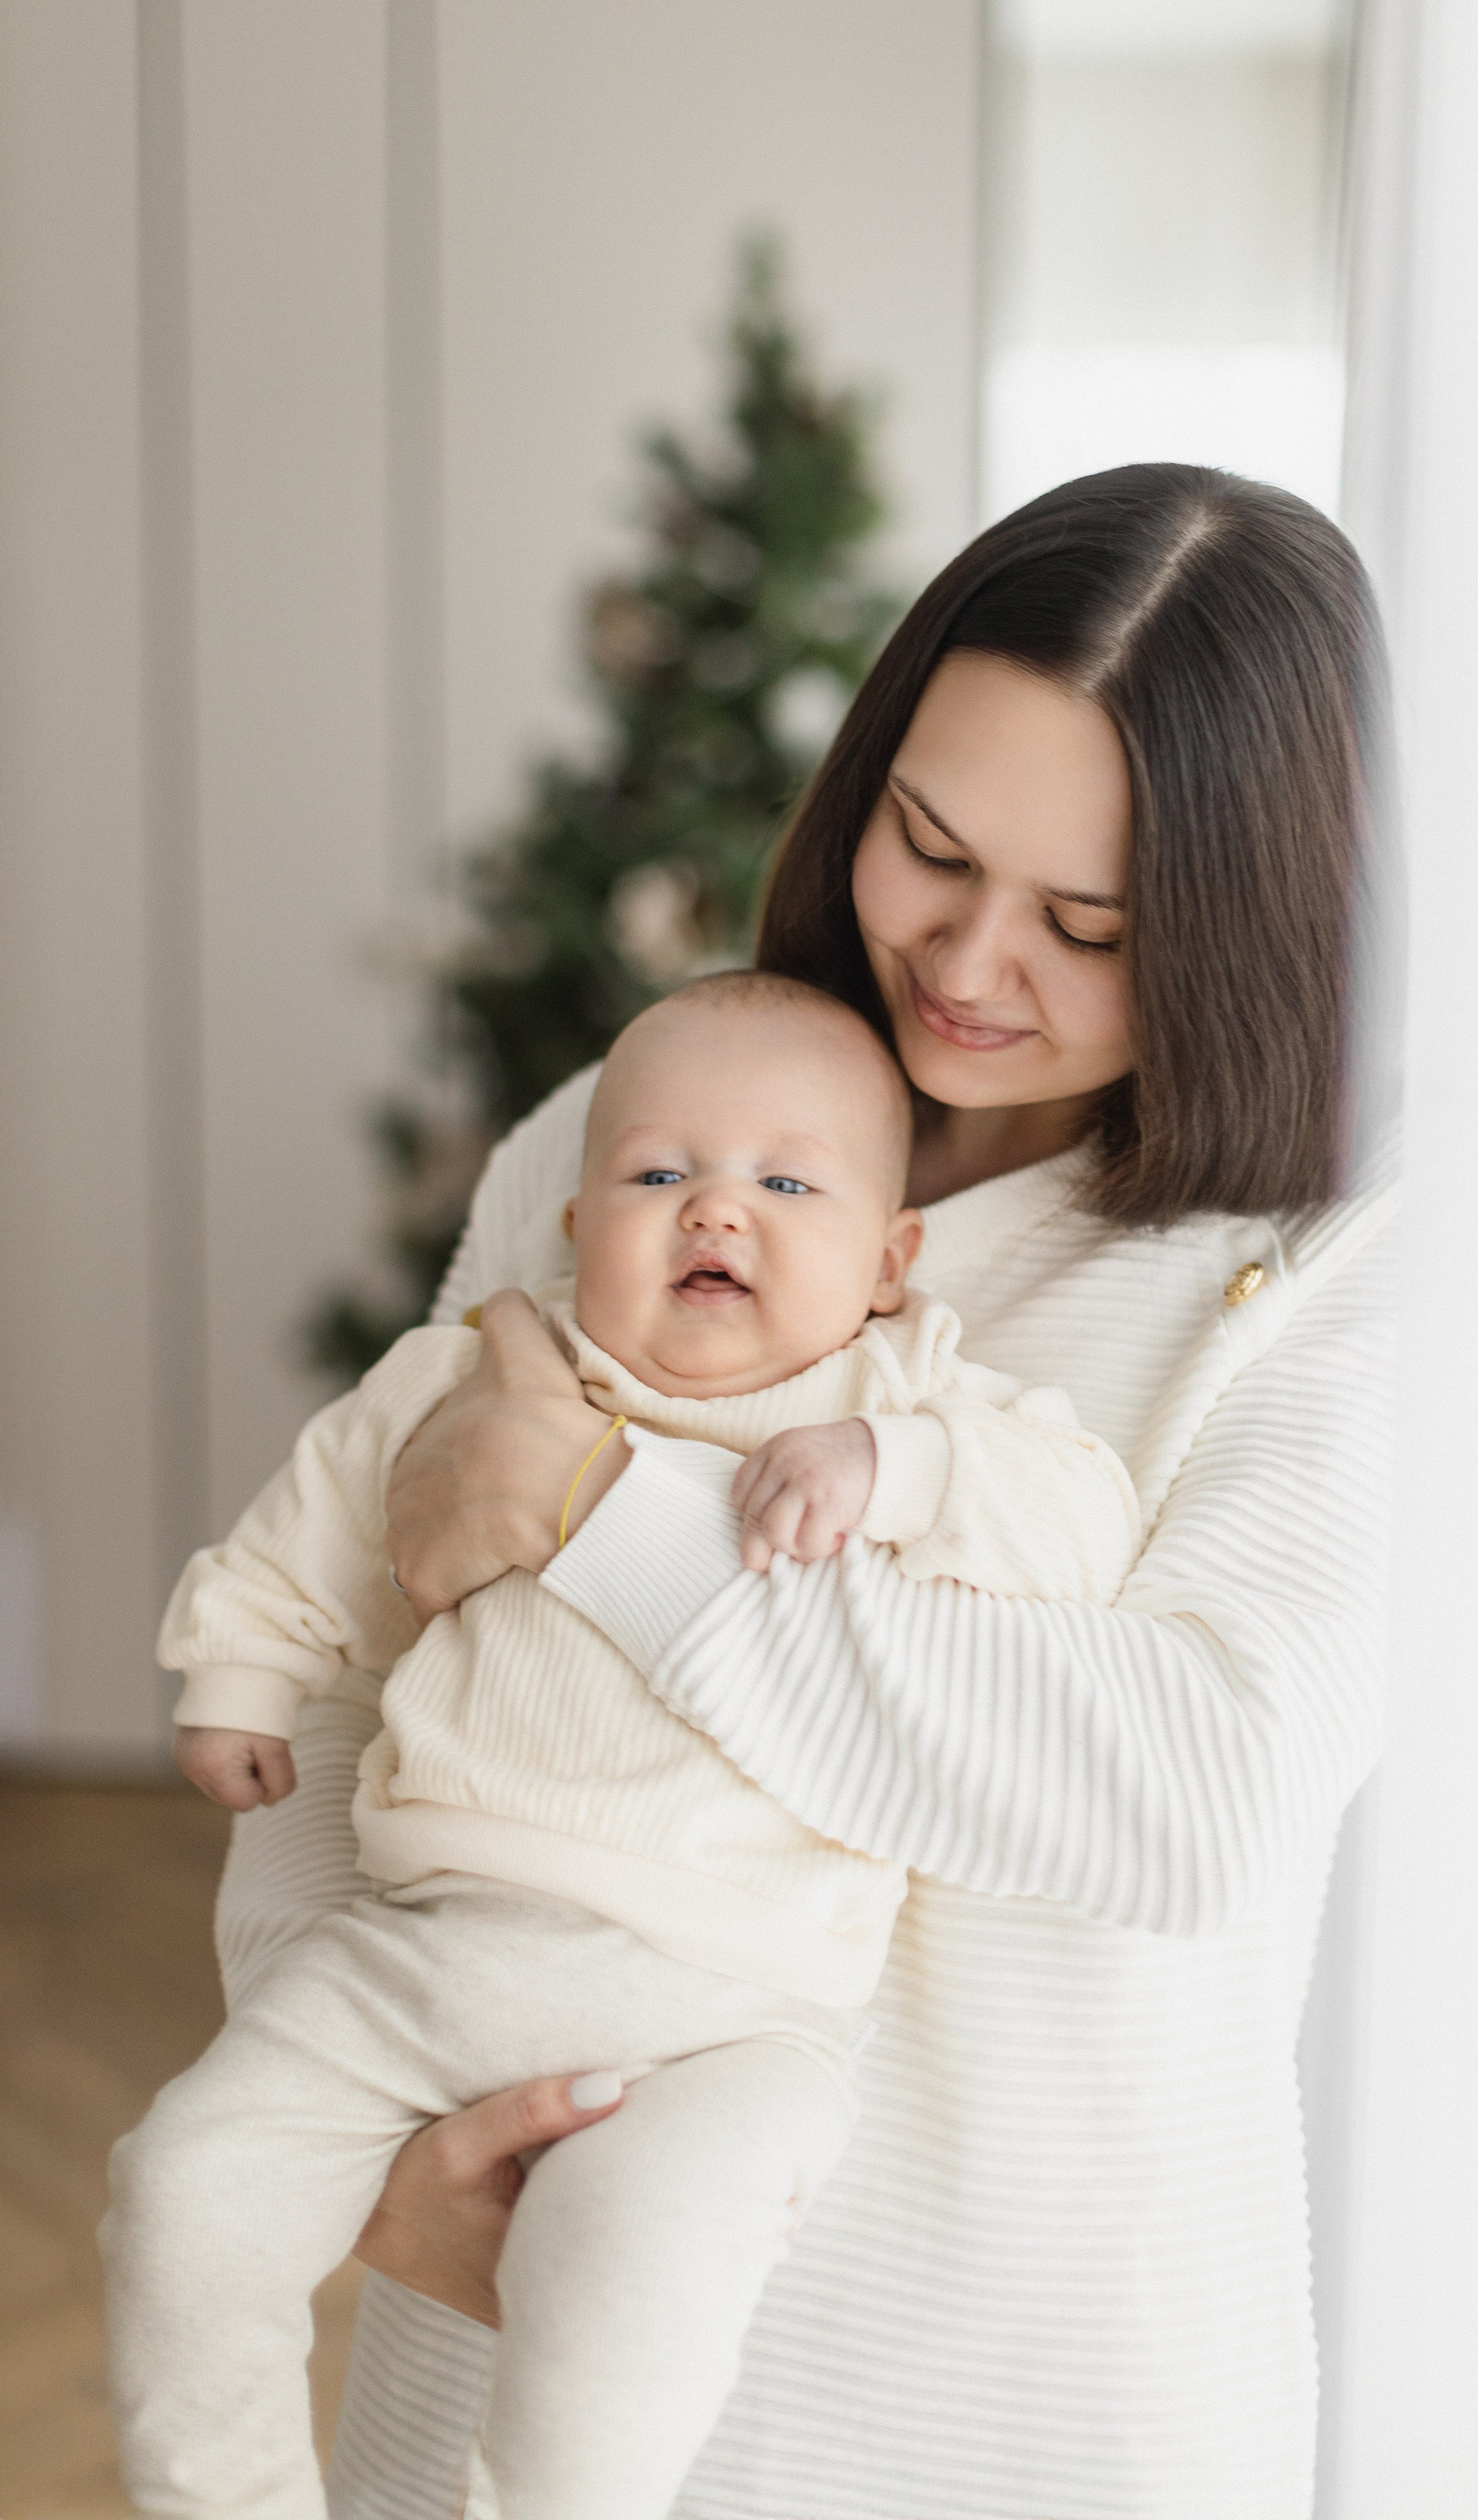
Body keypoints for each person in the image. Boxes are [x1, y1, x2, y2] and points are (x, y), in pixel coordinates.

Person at [221, 463, 1399, 2520]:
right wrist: (361, 2137)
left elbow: (1200, 1796)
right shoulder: (628, 1129)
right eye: (927, 845)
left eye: (1091, 926)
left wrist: (599, 1512)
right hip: (510, 2318)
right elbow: (358, 1659)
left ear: (1256, 928)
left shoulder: (1342, 1267)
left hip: (1006, 2403)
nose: (967, 961)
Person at [102, 975, 1138, 2520]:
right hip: (421, 1954)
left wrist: (904, 1467)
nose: (716, 1210)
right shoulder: (482, 1367)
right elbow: (322, 1514)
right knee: (184, 2189)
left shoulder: (907, 1392)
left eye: (788, 1184)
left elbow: (1084, 1522)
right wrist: (246, 1665)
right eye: (659, 1173)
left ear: (888, 1260)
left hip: (727, 2020)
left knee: (628, 2277)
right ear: (579, 1225)